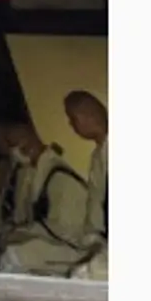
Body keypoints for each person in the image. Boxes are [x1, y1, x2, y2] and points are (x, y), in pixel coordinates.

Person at [0, 118, 98, 277]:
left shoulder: (61, 177)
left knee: (14, 255)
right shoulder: (30, 173)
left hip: (74, 250)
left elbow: (67, 232)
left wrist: (25, 232)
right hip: (52, 241)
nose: (11, 151)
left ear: (29, 142)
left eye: (14, 144)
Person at [62, 90, 108, 278]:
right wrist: (94, 243)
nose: (71, 125)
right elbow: (97, 206)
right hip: (102, 242)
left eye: (73, 119)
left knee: (80, 277)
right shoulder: (99, 155)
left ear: (87, 116)